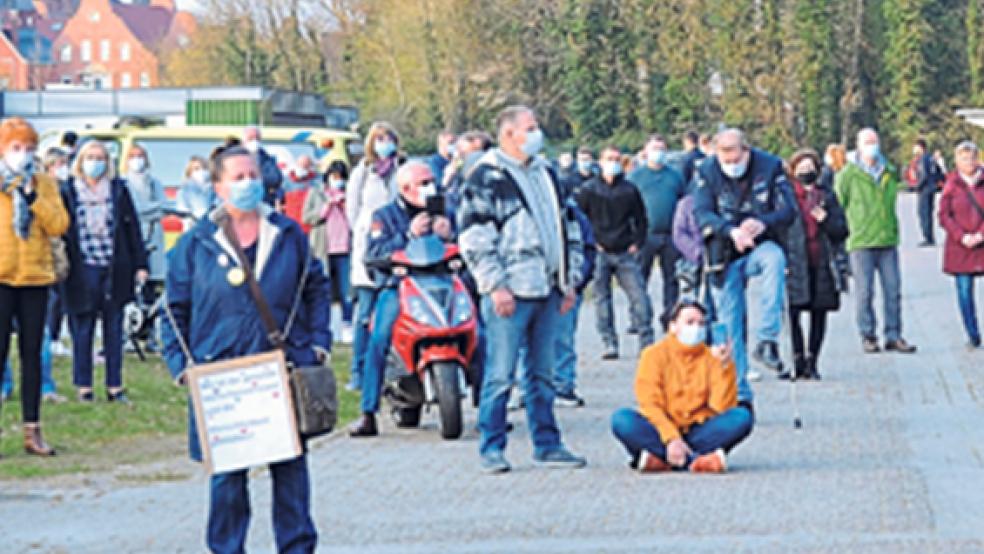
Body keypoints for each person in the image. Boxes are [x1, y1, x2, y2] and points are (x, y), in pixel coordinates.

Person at [161, 145, 329, 554]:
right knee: (228, 480)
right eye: (237, 177)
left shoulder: (288, 234)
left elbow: (317, 287)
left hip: (282, 367)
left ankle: (296, 547)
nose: (248, 183)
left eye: (252, 175)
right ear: (218, 186)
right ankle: (226, 548)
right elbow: (172, 307)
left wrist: (319, 342)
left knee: (290, 471)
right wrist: (181, 365)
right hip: (223, 375)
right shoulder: (197, 242)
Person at [458, 105, 586, 473]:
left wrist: (570, 279)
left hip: (549, 288)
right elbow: (475, 236)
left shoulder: (547, 172)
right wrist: (494, 285)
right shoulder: (486, 177)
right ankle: (492, 446)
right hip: (510, 290)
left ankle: (548, 443)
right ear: (509, 134)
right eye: (529, 128)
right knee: (501, 373)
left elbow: (569, 227)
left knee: (542, 373)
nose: (536, 134)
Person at [348, 161, 455, 436]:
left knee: (480, 332)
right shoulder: (384, 215)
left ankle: (492, 409)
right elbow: (373, 252)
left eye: (432, 180)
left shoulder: (445, 210)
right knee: (379, 338)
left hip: (443, 284)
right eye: (424, 182)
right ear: (405, 188)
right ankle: (368, 412)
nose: (432, 186)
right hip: (401, 286)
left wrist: (450, 235)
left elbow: (468, 243)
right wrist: (407, 235)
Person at [693, 128, 794, 404]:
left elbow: (789, 210)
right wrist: (729, 231)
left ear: (746, 149)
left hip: (761, 243)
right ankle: (739, 393)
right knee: (730, 323)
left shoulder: (770, 166)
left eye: (733, 152)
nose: (729, 159)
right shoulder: (706, 170)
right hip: (723, 253)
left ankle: (767, 340)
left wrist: (764, 223)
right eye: (722, 153)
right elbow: (701, 212)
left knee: (775, 260)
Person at [610, 300, 753, 473]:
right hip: (661, 429)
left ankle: (663, 460)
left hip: (698, 430)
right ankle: (695, 460)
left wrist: (724, 367)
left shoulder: (711, 356)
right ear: (673, 326)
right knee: (622, 420)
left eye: (701, 324)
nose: (696, 328)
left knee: (742, 417)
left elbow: (720, 408)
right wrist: (672, 439)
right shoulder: (653, 355)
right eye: (689, 322)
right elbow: (649, 404)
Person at [0, 117, 69, 456]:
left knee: (32, 354)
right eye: (16, 148)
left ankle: (32, 430)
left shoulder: (44, 183)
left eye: (29, 148)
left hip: (35, 278)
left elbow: (59, 224)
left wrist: (32, 200)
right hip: (1, 277)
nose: (22, 155)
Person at [60, 140, 149, 404]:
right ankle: (84, 386)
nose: (95, 162)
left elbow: (132, 228)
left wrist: (140, 264)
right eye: (90, 157)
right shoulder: (68, 191)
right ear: (80, 161)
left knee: (113, 330)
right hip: (81, 269)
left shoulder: (119, 190)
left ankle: (114, 385)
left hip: (114, 268)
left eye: (100, 157)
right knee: (82, 330)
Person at [835, 128, 917, 354]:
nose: (872, 146)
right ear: (858, 145)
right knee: (864, 292)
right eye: (867, 142)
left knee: (893, 290)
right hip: (861, 241)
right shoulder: (848, 174)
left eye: (874, 141)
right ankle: (868, 335)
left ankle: (894, 335)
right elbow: (838, 205)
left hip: (887, 239)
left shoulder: (888, 171)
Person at [577, 145, 654, 358]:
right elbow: (579, 220)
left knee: (638, 296)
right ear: (600, 162)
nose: (613, 163)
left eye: (617, 159)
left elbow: (641, 219)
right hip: (599, 250)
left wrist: (637, 242)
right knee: (602, 299)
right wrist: (590, 243)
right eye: (609, 158)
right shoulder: (589, 189)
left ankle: (646, 341)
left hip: (624, 250)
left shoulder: (629, 189)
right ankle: (609, 342)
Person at [780, 149, 849, 380]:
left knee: (819, 313)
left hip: (821, 261)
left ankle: (813, 360)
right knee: (793, 312)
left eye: (810, 168)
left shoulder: (826, 196)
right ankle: (797, 359)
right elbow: (778, 228)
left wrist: (826, 219)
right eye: (801, 168)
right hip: (794, 259)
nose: (805, 172)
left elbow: (842, 230)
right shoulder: (786, 196)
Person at [345, 122, 401, 391]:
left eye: (388, 138)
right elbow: (352, 209)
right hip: (369, 242)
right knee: (364, 313)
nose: (384, 143)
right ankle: (358, 371)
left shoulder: (399, 171)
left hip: (397, 245)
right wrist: (364, 234)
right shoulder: (363, 173)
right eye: (380, 138)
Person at [629, 134, 686, 329]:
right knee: (639, 278)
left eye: (662, 149)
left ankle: (670, 317)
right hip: (645, 235)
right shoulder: (636, 177)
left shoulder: (675, 176)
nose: (658, 153)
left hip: (671, 236)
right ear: (645, 151)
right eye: (654, 149)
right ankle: (639, 318)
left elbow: (684, 203)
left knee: (672, 279)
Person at [938, 141, 984, 349]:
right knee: (965, 292)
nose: (968, 162)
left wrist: (980, 234)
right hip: (960, 248)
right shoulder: (951, 185)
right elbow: (944, 215)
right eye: (964, 158)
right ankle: (973, 333)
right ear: (956, 161)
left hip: (981, 244)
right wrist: (961, 235)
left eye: (972, 158)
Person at [303, 160, 354, 344]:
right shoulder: (316, 193)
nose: (337, 181)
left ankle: (348, 326)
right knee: (324, 291)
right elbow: (306, 217)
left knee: (346, 291)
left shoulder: (349, 195)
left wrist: (344, 204)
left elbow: (354, 219)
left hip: (344, 249)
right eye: (334, 177)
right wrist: (326, 207)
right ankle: (326, 327)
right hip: (323, 249)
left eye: (341, 178)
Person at [123, 144, 167, 286]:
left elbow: (163, 207)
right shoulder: (123, 183)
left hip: (153, 233)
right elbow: (133, 209)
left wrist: (148, 211)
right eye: (133, 156)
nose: (137, 160)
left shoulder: (155, 182)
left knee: (153, 279)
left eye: (140, 156)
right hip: (131, 234)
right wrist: (152, 210)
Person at [43, 148, 72, 359]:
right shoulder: (46, 188)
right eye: (60, 164)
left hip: (65, 246)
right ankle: (51, 336)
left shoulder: (67, 187)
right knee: (53, 297)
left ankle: (55, 335)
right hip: (51, 248)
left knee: (61, 296)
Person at [913, 138, 944, 247]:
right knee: (929, 213)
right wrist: (938, 182)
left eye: (915, 147)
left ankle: (927, 238)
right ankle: (930, 237)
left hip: (925, 189)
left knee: (923, 213)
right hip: (932, 188)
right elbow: (939, 171)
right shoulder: (931, 158)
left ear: (921, 147)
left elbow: (924, 175)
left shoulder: (922, 159)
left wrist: (917, 186)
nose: (914, 149)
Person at [242, 125, 283, 207]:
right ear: (244, 140)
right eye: (251, 138)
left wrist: (256, 178)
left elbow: (276, 178)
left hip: (263, 202)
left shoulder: (268, 159)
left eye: (257, 138)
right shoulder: (234, 158)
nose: (254, 141)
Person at [175, 156, 216, 228]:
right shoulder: (184, 189)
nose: (201, 171)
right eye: (197, 169)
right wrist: (190, 221)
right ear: (190, 172)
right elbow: (182, 209)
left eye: (204, 168)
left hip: (213, 225)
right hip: (193, 226)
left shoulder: (215, 187)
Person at [283, 154, 319, 234]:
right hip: (292, 225)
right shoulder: (287, 181)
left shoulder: (315, 180)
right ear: (296, 164)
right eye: (301, 165)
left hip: (309, 226)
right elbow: (278, 200)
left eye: (306, 166)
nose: (303, 168)